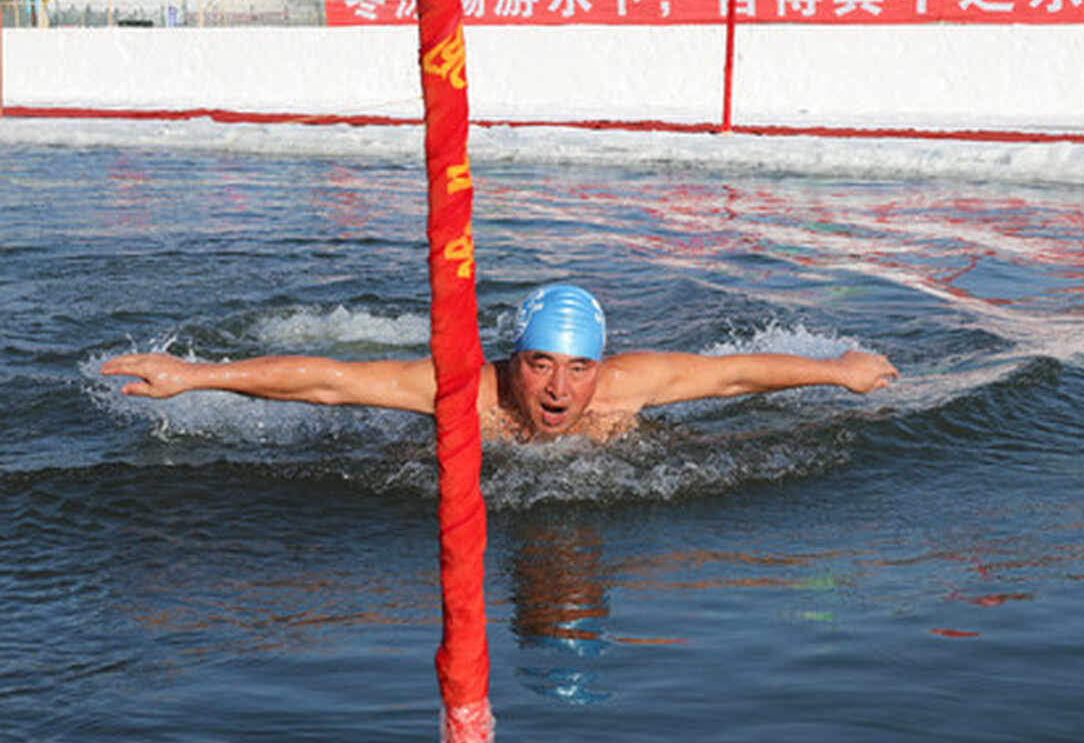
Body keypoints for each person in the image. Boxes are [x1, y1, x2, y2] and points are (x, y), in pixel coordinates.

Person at [101, 284, 899, 443]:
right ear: (510, 362)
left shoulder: (629, 385)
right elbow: (331, 381)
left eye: (576, 369)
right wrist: (196, 375)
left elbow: (735, 375)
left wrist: (840, 372)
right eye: (540, 365)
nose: (559, 390)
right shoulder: (465, 393)